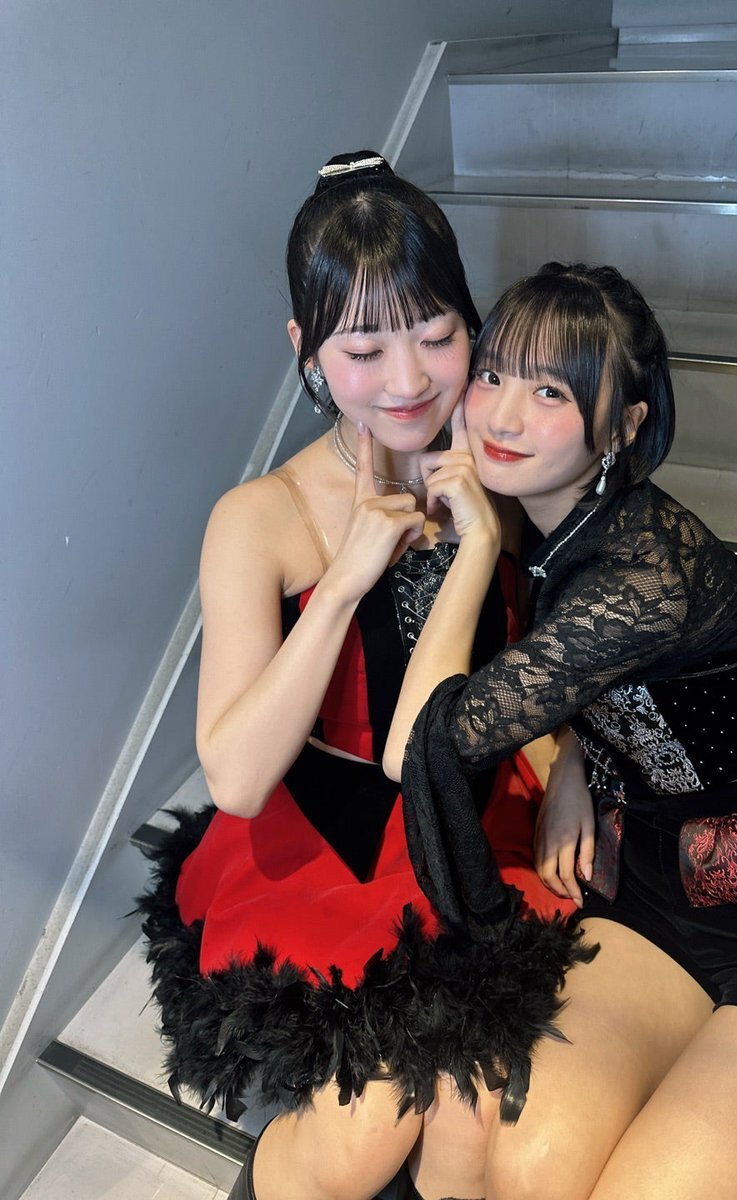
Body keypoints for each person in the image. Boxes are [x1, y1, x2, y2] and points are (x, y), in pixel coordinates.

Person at [384, 262, 737, 1200]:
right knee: (527, 1168)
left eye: (551, 392)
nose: (502, 416)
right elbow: (591, 689)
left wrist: (476, 547)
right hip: (654, 878)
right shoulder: (550, 521)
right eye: (493, 374)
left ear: (624, 424)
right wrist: (578, 756)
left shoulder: (643, 572)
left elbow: (427, 744)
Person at [138, 160, 593, 1200]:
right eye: (363, 349)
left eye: (437, 335)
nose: (408, 380)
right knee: (372, 1127)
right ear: (305, 351)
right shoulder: (259, 517)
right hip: (322, 851)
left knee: (476, 1114)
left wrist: (575, 757)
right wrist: (343, 582)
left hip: (472, 825)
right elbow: (237, 777)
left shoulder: (506, 463)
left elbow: (582, 639)